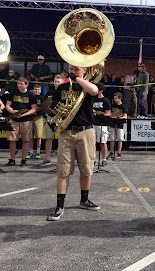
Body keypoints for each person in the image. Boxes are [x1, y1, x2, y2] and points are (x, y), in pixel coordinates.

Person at [47, 65, 99, 221]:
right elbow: (53, 105)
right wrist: (58, 110)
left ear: (84, 71)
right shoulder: (62, 87)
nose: (73, 71)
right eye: (71, 68)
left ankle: (84, 200)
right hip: (66, 131)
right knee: (63, 169)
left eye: (77, 69)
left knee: (86, 167)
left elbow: (95, 91)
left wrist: (78, 79)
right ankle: (59, 205)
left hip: (85, 131)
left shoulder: (87, 85)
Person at [5, 77, 37, 167]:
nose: (19, 85)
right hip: (14, 119)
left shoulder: (31, 95)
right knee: (12, 139)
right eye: (18, 83)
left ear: (26, 84)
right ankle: (12, 159)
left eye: (21, 84)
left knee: (26, 140)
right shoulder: (13, 92)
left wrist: (24, 114)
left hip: (26, 120)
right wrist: (12, 111)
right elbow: (7, 105)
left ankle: (23, 159)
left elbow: (34, 109)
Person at [39, 75, 64, 167]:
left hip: (61, 117)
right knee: (49, 138)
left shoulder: (64, 92)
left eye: (58, 81)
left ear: (62, 82)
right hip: (50, 117)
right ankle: (47, 158)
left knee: (63, 139)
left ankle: (61, 160)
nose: (56, 83)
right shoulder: (49, 92)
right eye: (55, 81)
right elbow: (45, 104)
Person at [93, 82, 111, 166]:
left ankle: (104, 159)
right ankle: (93, 158)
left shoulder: (106, 101)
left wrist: (98, 113)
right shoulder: (93, 99)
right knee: (92, 142)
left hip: (102, 124)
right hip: (93, 123)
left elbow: (108, 113)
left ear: (100, 91)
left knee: (103, 142)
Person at [26, 85, 45, 159]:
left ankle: (38, 152)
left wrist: (37, 112)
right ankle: (30, 151)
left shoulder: (42, 98)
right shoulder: (31, 97)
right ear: (33, 90)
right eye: (35, 89)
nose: (37, 91)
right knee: (30, 135)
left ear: (40, 91)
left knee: (38, 135)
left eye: (38, 89)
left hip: (39, 117)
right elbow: (27, 106)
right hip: (30, 117)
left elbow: (44, 108)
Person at [108, 92, 127, 159]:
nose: (115, 99)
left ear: (120, 98)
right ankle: (111, 152)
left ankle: (119, 152)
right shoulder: (113, 105)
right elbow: (110, 113)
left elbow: (125, 116)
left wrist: (119, 117)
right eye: (114, 98)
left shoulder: (123, 106)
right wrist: (111, 115)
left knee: (120, 138)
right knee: (112, 138)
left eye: (116, 98)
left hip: (119, 123)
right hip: (113, 123)